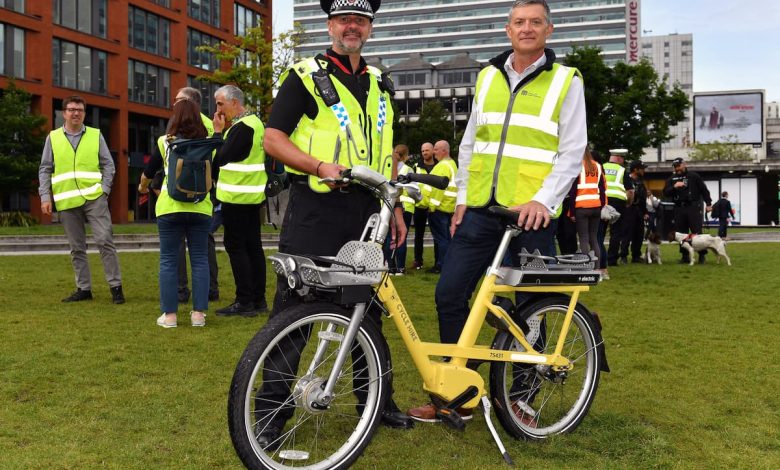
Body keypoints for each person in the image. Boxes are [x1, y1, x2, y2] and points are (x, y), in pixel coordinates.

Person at [408, 0, 587, 422]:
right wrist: (464, 196)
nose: (527, 29)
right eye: (519, 22)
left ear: (549, 30)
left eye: (535, 22)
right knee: (449, 293)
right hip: (482, 211)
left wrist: (543, 200)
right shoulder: (488, 75)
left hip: (532, 216)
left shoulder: (566, 80)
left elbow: (572, 148)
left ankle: (522, 397)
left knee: (533, 309)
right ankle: (456, 395)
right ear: (508, 30)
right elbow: (471, 142)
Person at [255, 0, 413, 446]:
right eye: (344, 19)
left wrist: (395, 206)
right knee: (293, 314)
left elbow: (385, 153)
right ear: (330, 25)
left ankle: (376, 403)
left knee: (372, 312)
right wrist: (320, 166)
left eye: (360, 20)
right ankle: (270, 414)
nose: (352, 26)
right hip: (317, 209)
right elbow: (272, 139)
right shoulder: (305, 75)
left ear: (368, 27)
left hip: (370, 213)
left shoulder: (381, 82)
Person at [38, 95, 125, 304]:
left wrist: (104, 190)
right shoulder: (53, 137)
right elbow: (45, 168)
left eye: (79, 109)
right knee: (76, 247)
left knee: (105, 241)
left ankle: (116, 287)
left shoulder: (96, 135)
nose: (75, 113)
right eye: (71, 109)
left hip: (95, 198)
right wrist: (44, 196)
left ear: (84, 113)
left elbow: (108, 165)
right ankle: (83, 289)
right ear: (64, 113)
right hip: (67, 200)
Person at [138, 99, 216, 328]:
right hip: (201, 207)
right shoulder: (208, 144)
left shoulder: (165, 142)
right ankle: (199, 315)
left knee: (169, 260)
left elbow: (149, 172)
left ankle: (169, 316)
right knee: (200, 259)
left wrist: (142, 187)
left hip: (170, 208)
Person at [211, 85, 269, 317]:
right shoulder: (253, 123)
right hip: (251, 197)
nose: (218, 110)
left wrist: (217, 133)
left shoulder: (243, 127)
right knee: (253, 248)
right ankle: (258, 300)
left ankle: (244, 301)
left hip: (238, 198)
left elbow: (220, 159)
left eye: (220, 104)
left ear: (235, 103)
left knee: (238, 248)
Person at [172, 87, 220, 303]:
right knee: (205, 243)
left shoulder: (179, 124)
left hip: (181, 191)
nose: (174, 104)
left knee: (179, 243)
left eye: (178, 100)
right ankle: (211, 289)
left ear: (189, 102)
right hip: (206, 190)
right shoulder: (210, 126)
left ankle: (181, 290)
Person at [663, 157, 712, 263]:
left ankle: (702, 256)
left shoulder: (694, 176)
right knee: (681, 233)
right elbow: (666, 192)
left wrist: (708, 204)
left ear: (684, 164)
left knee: (697, 232)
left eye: (679, 166)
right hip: (679, 208)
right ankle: (685, 256)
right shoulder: (672, 179)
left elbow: (704, 190)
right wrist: (674, 187)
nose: (677, 168)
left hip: (693, 207)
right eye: (675, 167)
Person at [567, 148, 606, 271]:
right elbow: (603, 189)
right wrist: (601, 205)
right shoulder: (598, 166)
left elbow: (573, 191)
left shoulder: (578, 166)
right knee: (594, 238)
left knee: (583, 238)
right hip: (596, 206)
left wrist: (572, 211)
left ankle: (586, 268)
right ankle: (597, 269)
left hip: (581, 207)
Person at [425, 140, 458, 274]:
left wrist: (431, 206)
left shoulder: (442, 166)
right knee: (445, 239)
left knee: (441, 240)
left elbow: (438, 188)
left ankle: (442, 266)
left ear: (444, 150)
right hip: (448, 208)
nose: (434, 152)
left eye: (436, 149)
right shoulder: (452, 165)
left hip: (439, 209)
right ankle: (444, 265)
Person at [384, 144, 415, 275]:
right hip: (405, 207)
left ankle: (391, 268)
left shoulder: (387, 167)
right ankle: (400, 267)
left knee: (389, 237)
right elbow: (414, 190)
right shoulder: (408, 169)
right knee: (402, 238)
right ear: (406, 155)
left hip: (388, 207)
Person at [603, 148, 634, 266]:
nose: (623, 161)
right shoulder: (622, 170)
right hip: (618, 203)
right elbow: (630, 191)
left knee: (599, 231)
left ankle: (598, 257)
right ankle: (611, 259)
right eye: (623, 159)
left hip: (602, 202)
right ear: (619, 158)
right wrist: (629, 202)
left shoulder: (601, 167)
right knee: (616, 232)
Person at [412, 142, 437, 270]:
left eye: (427, 150)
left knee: (437, 235)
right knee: (419, 234)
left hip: (435, 206)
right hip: (420, 205)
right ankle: (418, 261)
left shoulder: (439, 166)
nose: (424, 153)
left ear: (433, 151)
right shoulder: (416, 166)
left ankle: (438, 262)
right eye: (422, 151)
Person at [624, 160, 648, 263]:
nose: (644, 170)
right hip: (629, 209)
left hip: (639, 211)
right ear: (635, 169)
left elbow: (643, 198)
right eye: (642, 168)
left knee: (639, 234)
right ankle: (623, 256)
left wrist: (645, 212)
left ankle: (636, 255)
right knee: (627, 234)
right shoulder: (626, 180)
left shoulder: (641, 182)